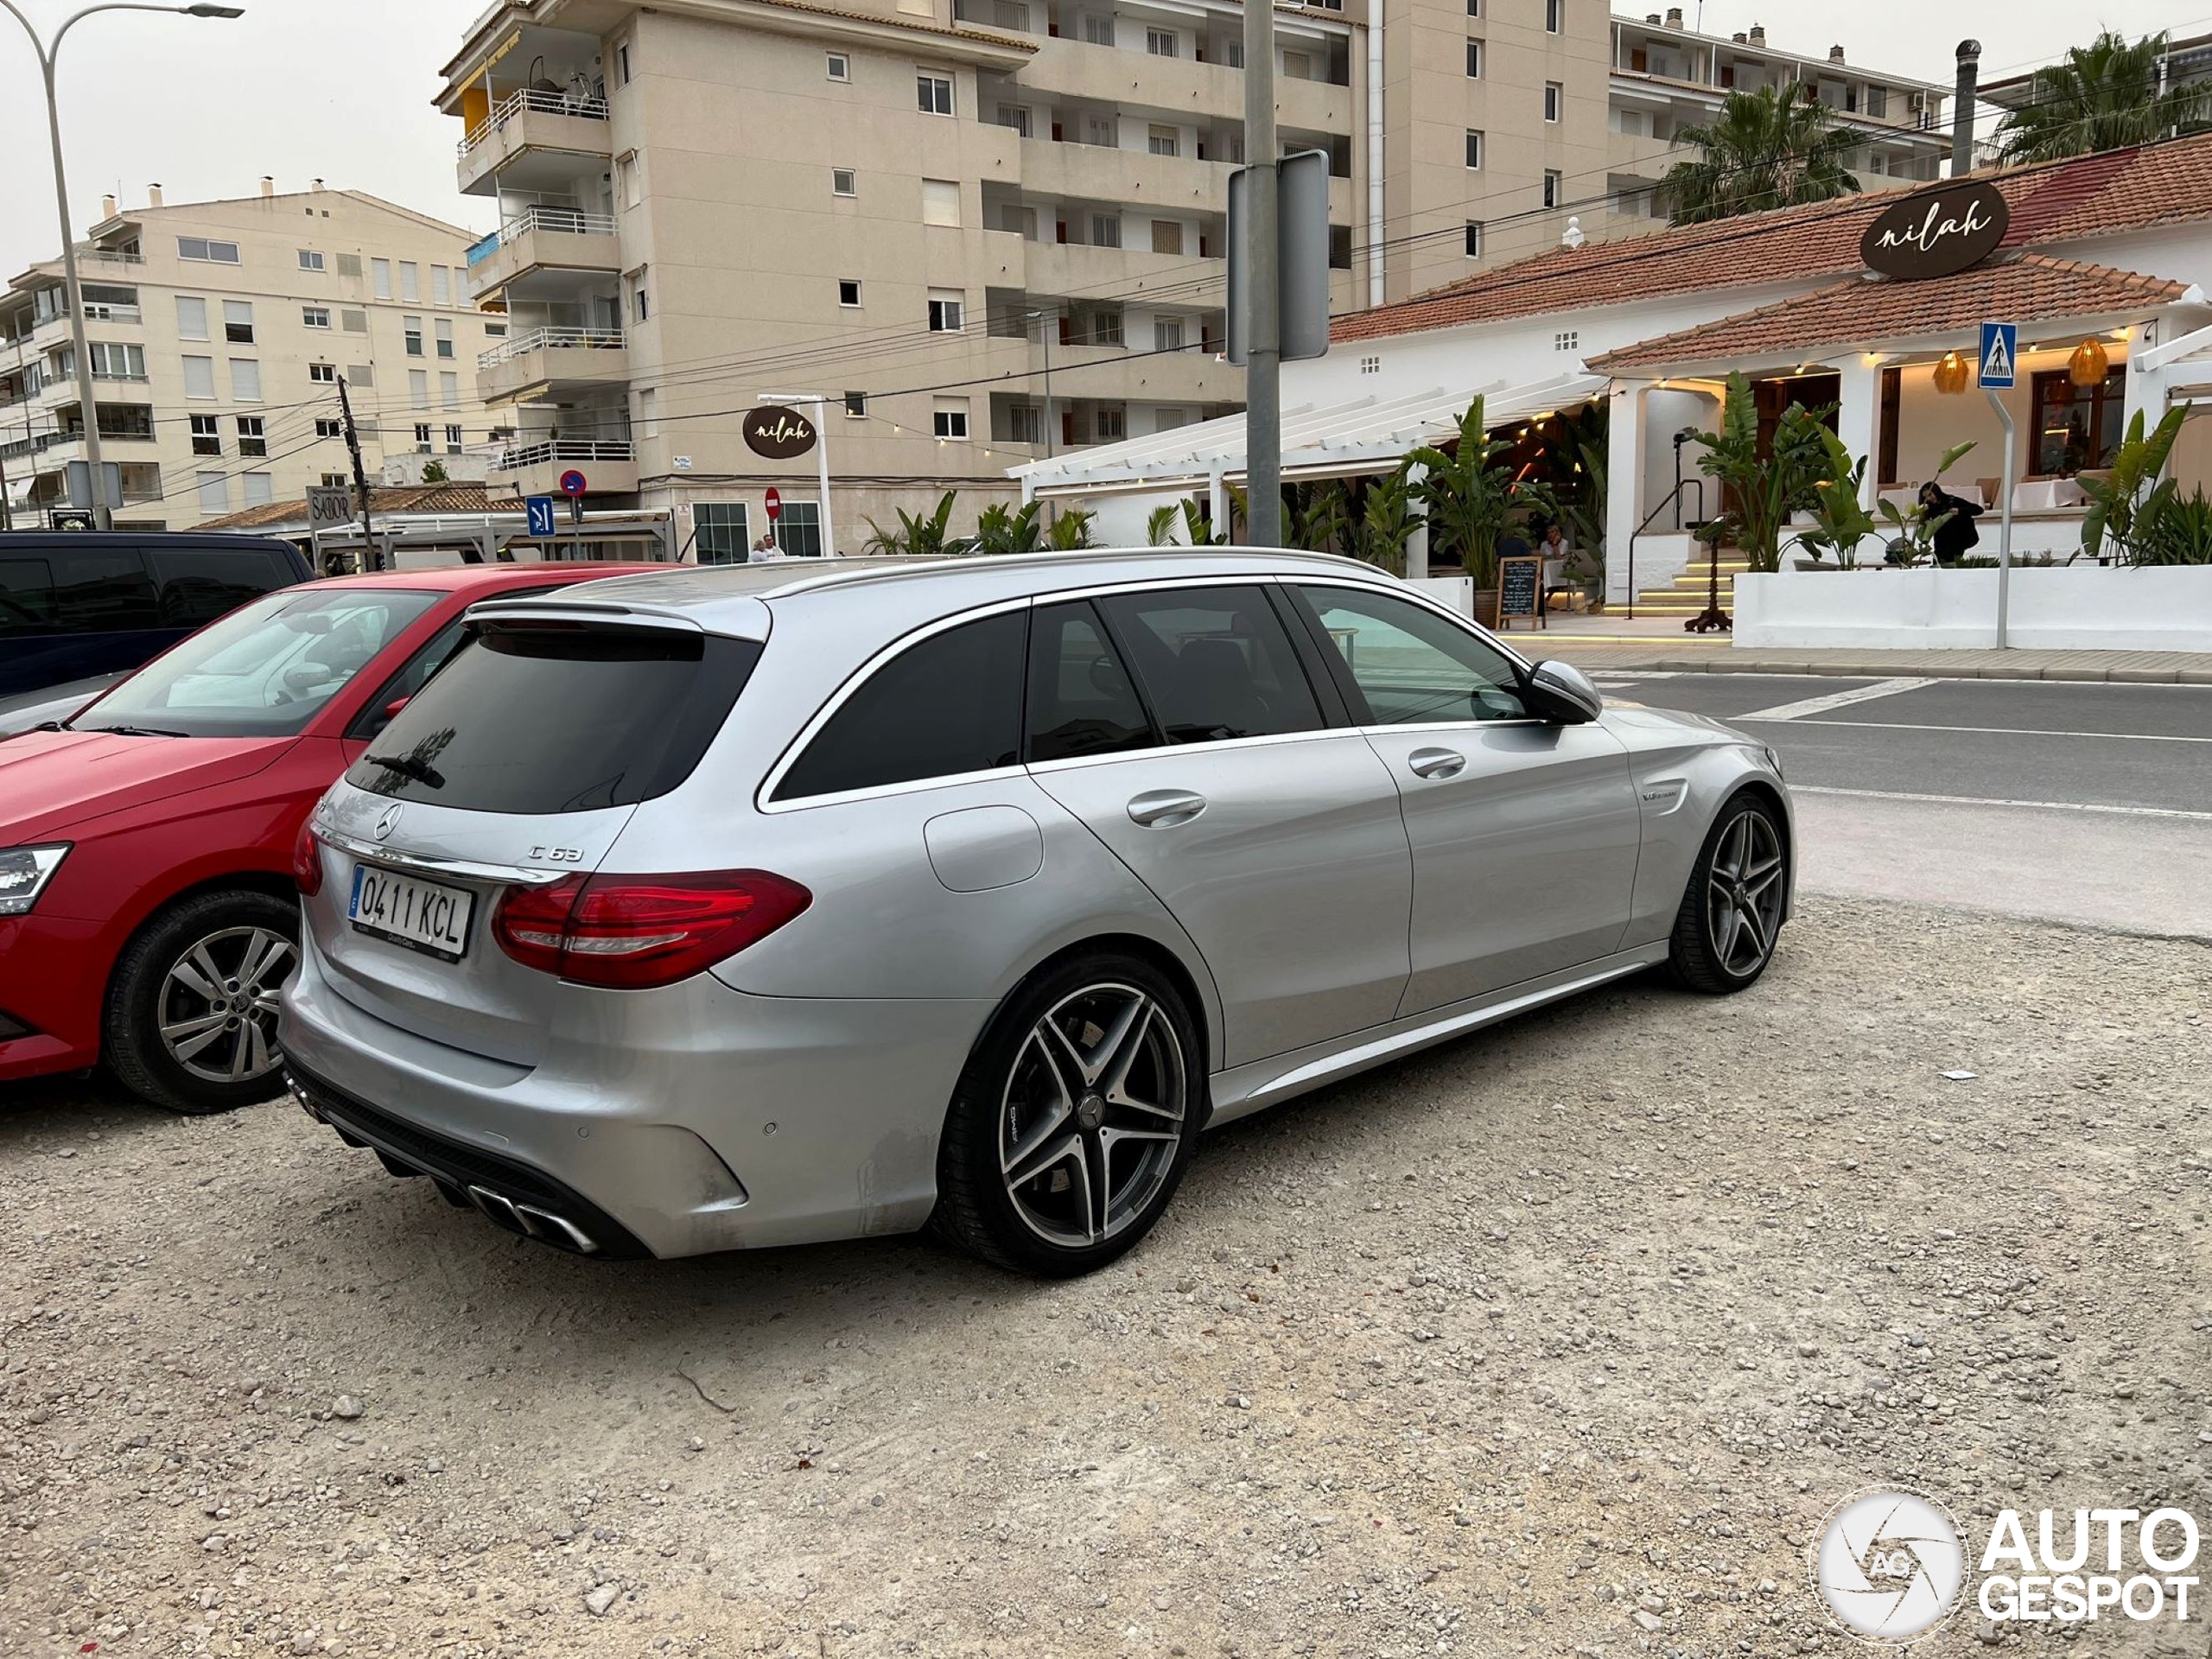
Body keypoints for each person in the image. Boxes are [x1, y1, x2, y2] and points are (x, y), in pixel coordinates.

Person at [1920, 480, 1981, 566]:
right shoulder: (1929, 507)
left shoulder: (1952, 501)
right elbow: (1923, 520)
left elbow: (1978, 509)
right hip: (1940, 544)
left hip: (1956, 542)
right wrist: (1926, 521)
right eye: (1926, 497)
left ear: (1936, 491)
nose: (1929, 498)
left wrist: (1960, 511)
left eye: (1930, 494)